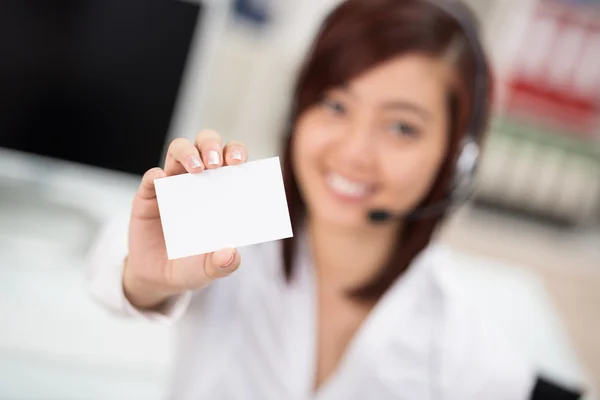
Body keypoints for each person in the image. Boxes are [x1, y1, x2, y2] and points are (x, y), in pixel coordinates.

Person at [86, 0, 543, 398]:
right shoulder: (235, 222)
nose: (353, 152)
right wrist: (145, 281)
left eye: (402, 127)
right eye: (335, 106)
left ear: (456, 157)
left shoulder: (469, 359)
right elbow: (111, 266)